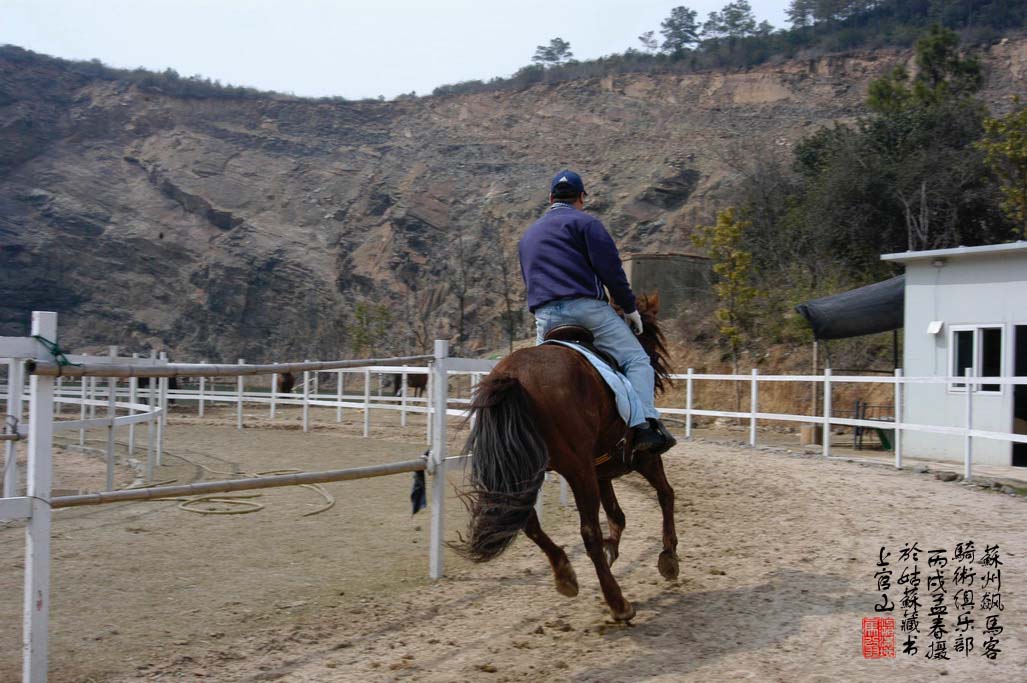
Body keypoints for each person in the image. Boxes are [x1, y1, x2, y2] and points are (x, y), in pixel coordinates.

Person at [517, 169, 676, 455]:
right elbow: (612, 273)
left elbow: (530, 278)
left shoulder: (527, 237)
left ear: (551, 198)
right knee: (637, 359)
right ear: (581, 198)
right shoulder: (587, 225)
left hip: (545, 318)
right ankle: (645, 427)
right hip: (587, 312)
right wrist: (630, 309)